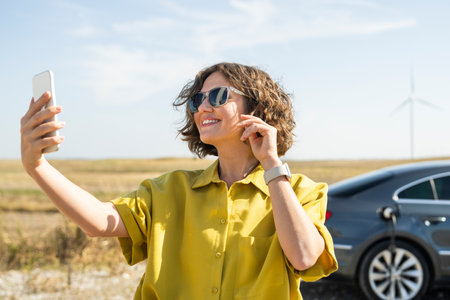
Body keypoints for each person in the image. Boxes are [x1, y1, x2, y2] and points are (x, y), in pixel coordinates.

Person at [21, 62, 337, 299]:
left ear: (258, 108)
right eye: (195, 101)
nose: (202, 107)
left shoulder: (299, 192)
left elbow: (304, 256)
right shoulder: (170, 190)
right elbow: (98, 222)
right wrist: (37, 166)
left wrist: (271, 164)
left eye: (218, 95)